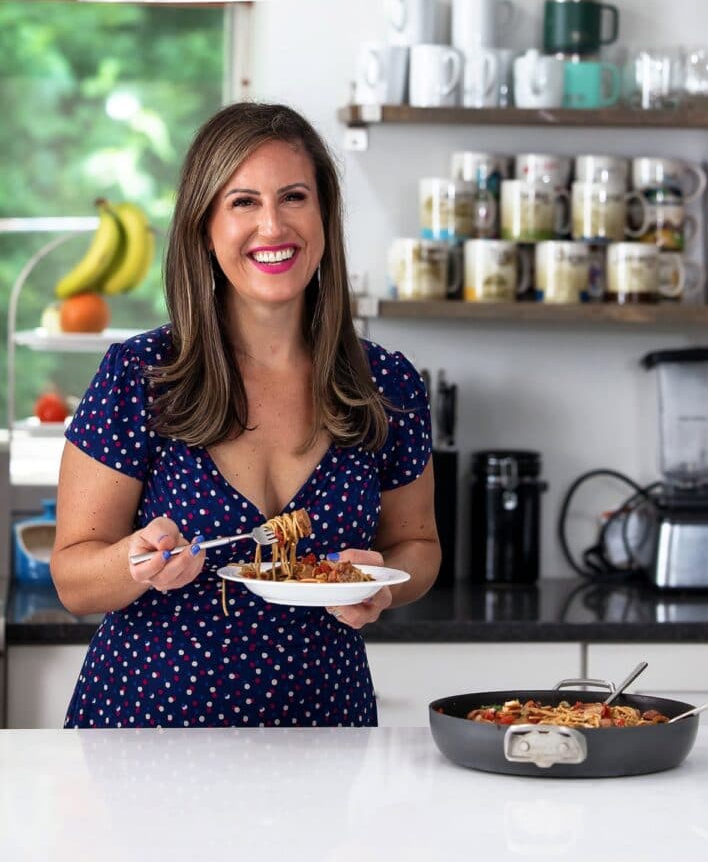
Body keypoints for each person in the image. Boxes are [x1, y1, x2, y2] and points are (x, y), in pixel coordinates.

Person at [51, 101, 440, 728]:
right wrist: (138, 562)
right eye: (242, 202)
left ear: (323, 217)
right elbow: (73, 577)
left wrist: (386, 585)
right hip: (148, 735)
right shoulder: (141, 375)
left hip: (323, 732)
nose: (272, 226)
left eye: (293, 197)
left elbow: (417, 544)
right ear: (204, 225)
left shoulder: (385, 383)